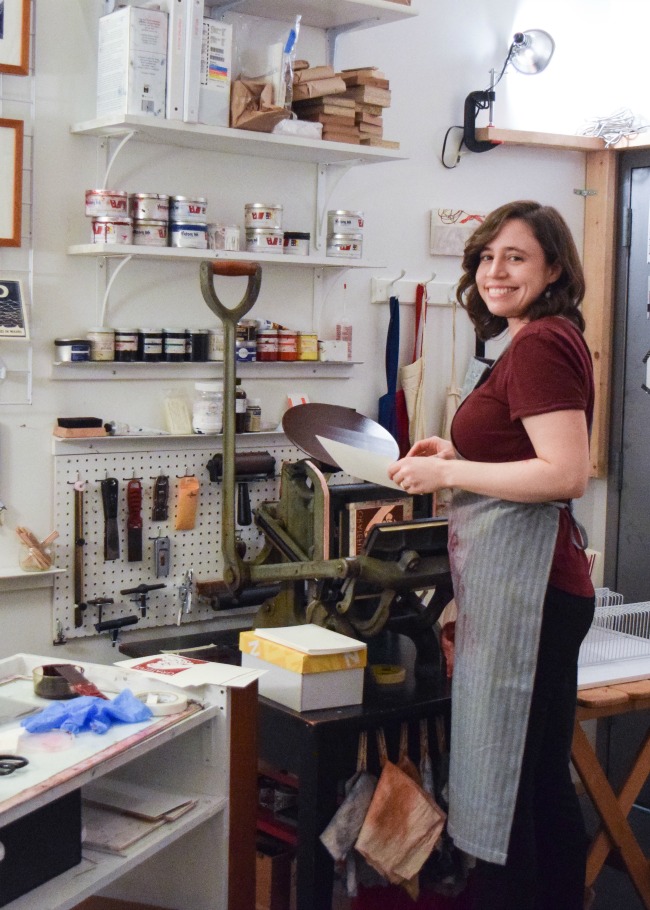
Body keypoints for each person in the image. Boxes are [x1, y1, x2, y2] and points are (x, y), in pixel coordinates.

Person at [388, 200, 596, 910]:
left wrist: (445, 474)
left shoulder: (539, 345)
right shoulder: (537, 339)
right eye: (486, 256)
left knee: (513, 783)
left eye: (516, 257)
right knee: (535, 779)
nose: (495, 271)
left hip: (531, 591)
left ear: (554, 269)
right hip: (532, 587)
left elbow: (566, 473)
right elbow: (525, 451)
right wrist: (457, 452)